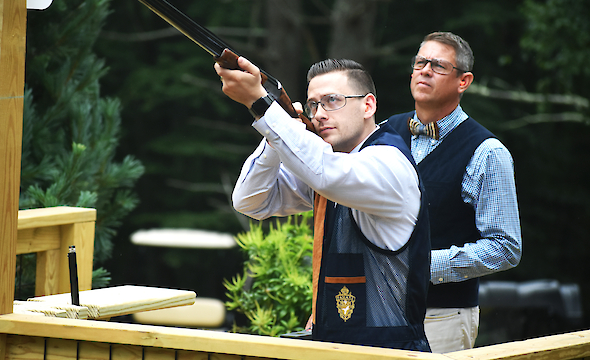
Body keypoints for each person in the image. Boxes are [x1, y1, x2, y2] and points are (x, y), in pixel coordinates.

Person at [215, 57, 431, 351]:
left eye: (332, 101)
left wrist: (261, 104)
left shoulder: (388, 163)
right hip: (335, 349)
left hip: (389, 353)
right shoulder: (335, 167)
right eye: (313, 104)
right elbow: (251, 200)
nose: (318, 114)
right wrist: (276, 135)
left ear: (368, 106)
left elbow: (325, 172)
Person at [386, 32, 522, 353]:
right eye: (420, 62)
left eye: (438, 66)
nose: (425, 70)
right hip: (379, 313)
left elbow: (506, 247)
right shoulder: (386, 131)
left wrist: (423, 266)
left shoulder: (488, 152)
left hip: (442, 317)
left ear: (464, 81)